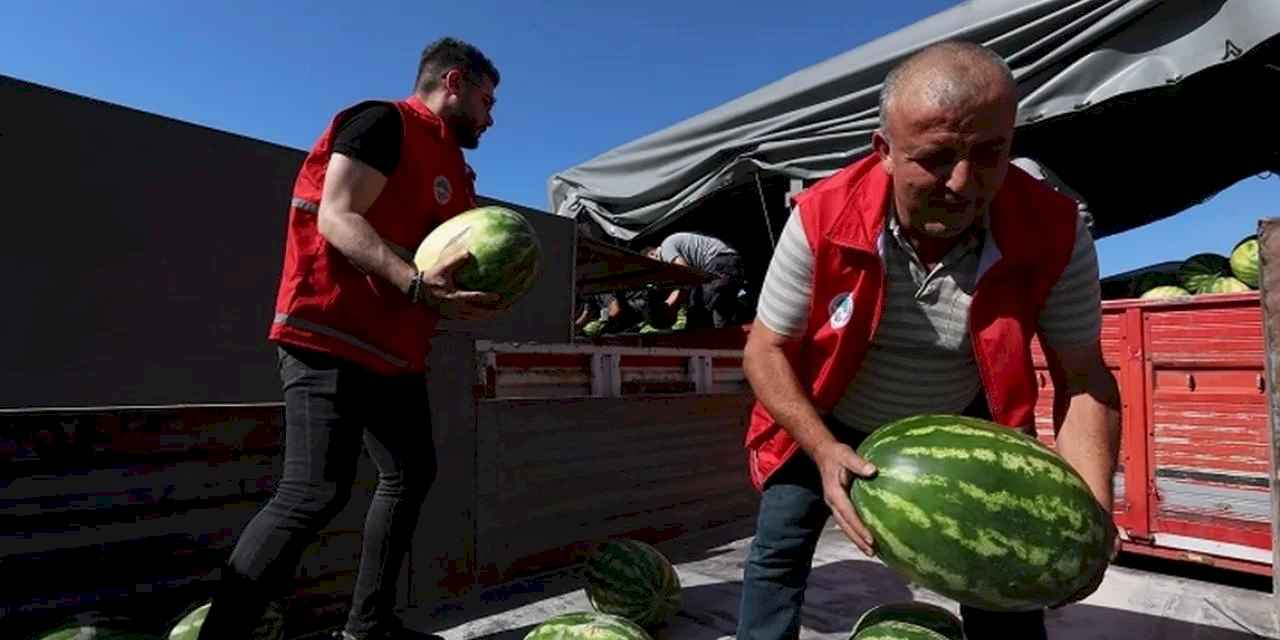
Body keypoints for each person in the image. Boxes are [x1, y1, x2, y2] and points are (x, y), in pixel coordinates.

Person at [736, 41, 1121, 640]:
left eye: (990, 154)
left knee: (1002, 581)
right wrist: (820, 447)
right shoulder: (821, 217)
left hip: (963, 413)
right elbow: (765, 349)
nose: (964, 184)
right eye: (936, 158)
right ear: (884, 152)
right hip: (827, 411)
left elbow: (1084, 377)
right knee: (778, 553)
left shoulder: (1054, 229)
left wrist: (1092, 517)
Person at [197, 37, 503, 640]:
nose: (492, 117)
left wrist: (466, 295)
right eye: (488, 100)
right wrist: (416, 284)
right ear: (454, 82)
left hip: (394, 352)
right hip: (330, 332)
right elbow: (336, 215)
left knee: (412, 473)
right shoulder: (382, 123)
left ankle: (367, 628)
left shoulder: (456, 171)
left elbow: (440, 261)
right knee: (313, 492)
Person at [643, 231, 751, 329]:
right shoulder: (672, 249)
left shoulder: (665, 249)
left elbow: (687, 273)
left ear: (652, 254)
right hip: (726, 262)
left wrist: (676, 300)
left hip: (720, 261)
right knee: (721, 315)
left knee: (698, 310)